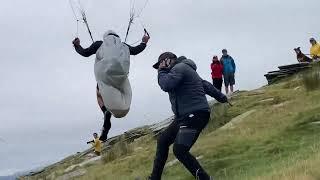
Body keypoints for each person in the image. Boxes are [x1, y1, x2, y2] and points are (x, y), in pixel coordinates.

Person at [149, 52, 228, 180]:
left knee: (179, 150)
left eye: (160, 64)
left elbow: (166, 85)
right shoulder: (184, 70)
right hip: (184, 116)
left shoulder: (179, 68)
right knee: (163, 140)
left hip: (195, 114)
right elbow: (205, 85)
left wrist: (162, 71)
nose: (159, 67)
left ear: (168, 60)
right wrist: (221, 97)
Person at [72, 31, 150, 141]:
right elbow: (137, 50)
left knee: (99, 94)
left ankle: (105, 111)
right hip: (120, 79)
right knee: (119, 90)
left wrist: (77, 45)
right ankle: (110, 110)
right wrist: (144, 42)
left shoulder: (99, 44)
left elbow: (85, 53)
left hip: (105, 79)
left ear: (106, 37)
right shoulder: (124, 46)